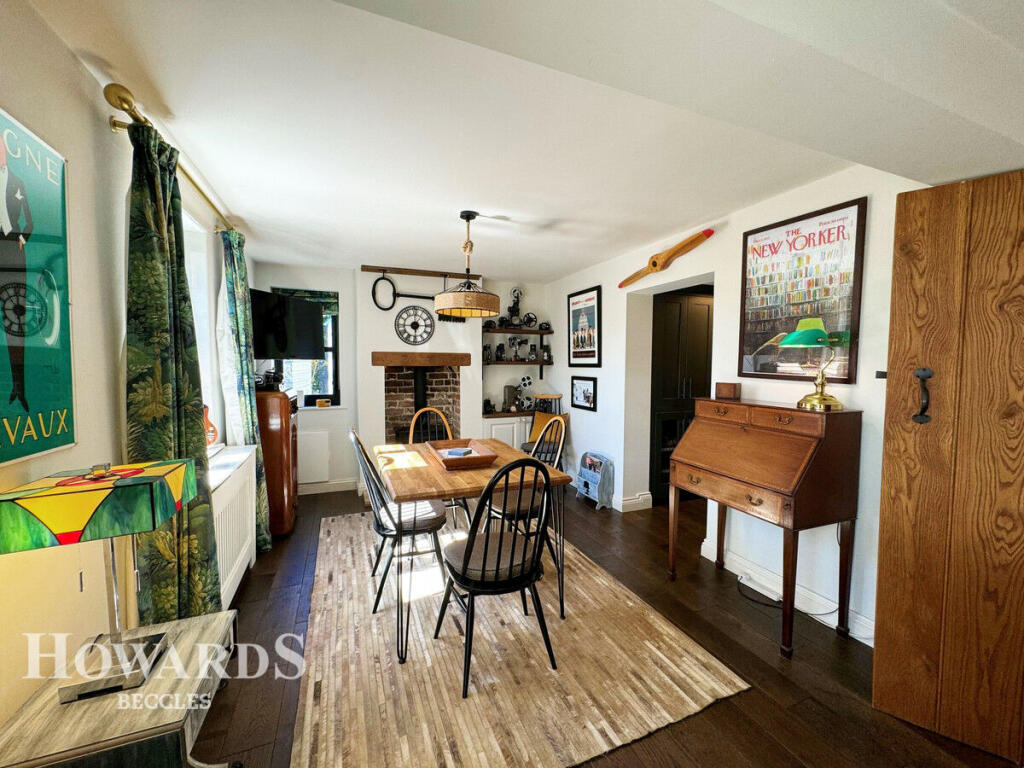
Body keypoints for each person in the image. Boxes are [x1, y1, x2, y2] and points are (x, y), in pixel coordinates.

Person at [0, 139, 33, 412]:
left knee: (15, 321)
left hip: (13, 250)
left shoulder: (18, 182)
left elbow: (29, 221)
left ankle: (18, 387)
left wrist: (22, 237)